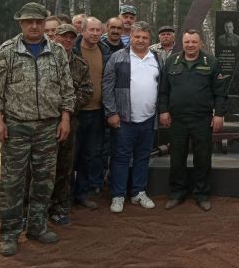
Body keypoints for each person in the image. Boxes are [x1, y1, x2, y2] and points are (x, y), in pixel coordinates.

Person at [0, 2, 75, 256]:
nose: (34, 26)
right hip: (16, 126)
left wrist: (65, 118)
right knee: (12, 182)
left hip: (47, 127)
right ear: (20, 23)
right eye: (29, 21)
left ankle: (37, 225)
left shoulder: (56, 51)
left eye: (39, 22)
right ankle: (9, 233)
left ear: (45, 24)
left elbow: (66, 88)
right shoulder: (7, 51)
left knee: (44, 180)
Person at [159, 29, 226, 212]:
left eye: (194, 42)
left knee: (202, 158)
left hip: (202, 119)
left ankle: (202, 194)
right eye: (187, 42)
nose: (190, 45)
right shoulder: (171, 61)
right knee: (177, 158)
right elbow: (163, 90)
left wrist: (219, 114)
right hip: (177, 120)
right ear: (182, 42)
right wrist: (163, 110)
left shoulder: (210, 62)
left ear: (200, 43)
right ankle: (176, 193)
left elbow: (220, 93)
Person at [103, 21, 160, 213]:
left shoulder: (157, 58)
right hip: (124, 119)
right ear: (131, 37)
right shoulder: (117, 57)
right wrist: (111, 112)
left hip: (148, 119)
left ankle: (138, 192)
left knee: (142, 157)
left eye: (144, 37)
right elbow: (107, 87)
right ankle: (118, 195)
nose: (141, 40)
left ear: (149, 39)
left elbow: (162, 87)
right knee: (120, 158)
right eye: (137, 37)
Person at [49, 24, 93, 226]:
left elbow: (86, 91)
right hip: (42, 122)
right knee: (36, 169)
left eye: (70, 38)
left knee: (64, 167)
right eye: (63, 36)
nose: (67, 40)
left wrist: (68, 108)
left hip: (69, 122)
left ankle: (59, 208)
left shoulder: (80, 64)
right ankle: (29, 211)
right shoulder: (44, 60)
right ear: (54, 37)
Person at [73, 16, 111, 207]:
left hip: (97, 112)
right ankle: (65, 196)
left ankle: (82, 192)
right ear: (82, 30)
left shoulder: (105, 51)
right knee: (71, 155)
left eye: (98, 30)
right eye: (91, 30)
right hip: (75, 113)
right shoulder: (72, 50)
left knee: (90, 154)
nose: (95, 33)